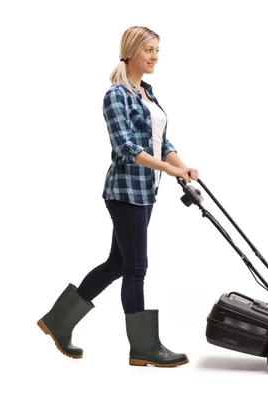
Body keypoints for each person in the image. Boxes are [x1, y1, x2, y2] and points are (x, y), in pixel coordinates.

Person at [37, 26, 198, 368]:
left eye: (157, 50)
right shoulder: (117, 95)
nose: (155, 56)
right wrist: (167, 170)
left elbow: (161, 142)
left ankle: (58, 321)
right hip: (125, 192)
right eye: (149, 50)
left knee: (117, 264)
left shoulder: (149, 94)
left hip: (146, 191)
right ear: (131, 51)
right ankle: (143, 348)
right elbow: (125, 147)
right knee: (136, 268)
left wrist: (181, 166)